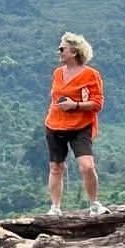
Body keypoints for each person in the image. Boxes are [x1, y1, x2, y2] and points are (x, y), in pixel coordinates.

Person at [44, 32, 107, 215]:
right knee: (56, 167)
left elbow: (97, 103)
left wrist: (76, 105)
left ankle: (94, 203)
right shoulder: (57, 73)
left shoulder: (91, 75)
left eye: (62, 48)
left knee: (87, 165)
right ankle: (55, 207)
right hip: (55, 125)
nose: (59, 52)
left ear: (74, 51)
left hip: (81, 126)